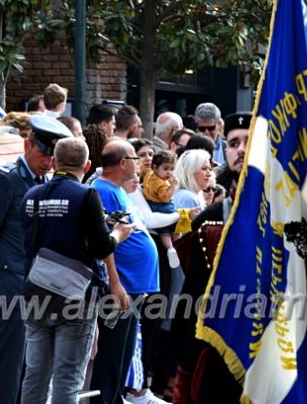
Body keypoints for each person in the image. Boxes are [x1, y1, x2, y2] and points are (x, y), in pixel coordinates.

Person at [20, 137, 133, 404]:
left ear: (55, 162)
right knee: (67, 378)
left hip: (35, 292)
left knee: (35, 375)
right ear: (88, 164)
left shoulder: (32, 195)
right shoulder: (86, 194)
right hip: (76, 296)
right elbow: (100, 246)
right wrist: (117, 233)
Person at [0, 116, 72, 404]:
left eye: (54, 156)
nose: (48, 161)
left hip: (34, 282)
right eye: (43, 152)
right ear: (28, 144)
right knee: (8, 361)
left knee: (30, 362)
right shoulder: (7, 178)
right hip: (9, 280)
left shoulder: (43, 181)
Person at [171, 111, 251, 403]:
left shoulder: (292, 215)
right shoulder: (209, 218)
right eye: (233, 143)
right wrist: (186, 353)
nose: (241, 149)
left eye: (248, 141)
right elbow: (194, 289)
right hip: (220, 341)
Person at [90, 140, 161, 404]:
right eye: (135, 158)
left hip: (134, 285)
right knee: (111, 355)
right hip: (121, 287)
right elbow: (104, 241)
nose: (141, 163)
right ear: (123, 163)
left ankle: (115, 397)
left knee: (123, 353)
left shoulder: (118, 191)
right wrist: (114, 282)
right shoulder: (101, 191)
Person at [142, 150, 179, 262]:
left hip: (152, 205)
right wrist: (173, 185)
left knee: (164, 232)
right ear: (155, 167)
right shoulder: (160, 183)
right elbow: (165, 197)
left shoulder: (150, 174)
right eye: (165, 168)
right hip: (163, 207)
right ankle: (176, 244)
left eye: (172, 169)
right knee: (176, 225)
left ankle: (170, 248)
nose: (169, 173)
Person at [214, 112, 251, 198]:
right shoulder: (214, 191)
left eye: (249, 143)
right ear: (226, 152)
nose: (241, 149)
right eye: (234, 144)